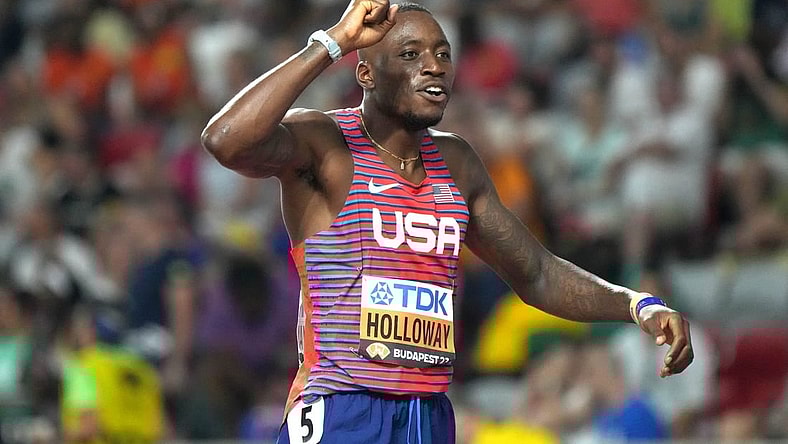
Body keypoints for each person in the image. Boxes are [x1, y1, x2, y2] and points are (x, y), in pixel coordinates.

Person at [201, 2, 694, 443]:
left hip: (429, 414)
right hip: (342, 405)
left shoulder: (456, 162)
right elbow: (226, 139)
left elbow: (538, 273)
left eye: (443, 53)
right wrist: (334, 42)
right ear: (367, 74)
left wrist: (638, 305)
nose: (434, 66)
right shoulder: (325, 142)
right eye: (411, 54)